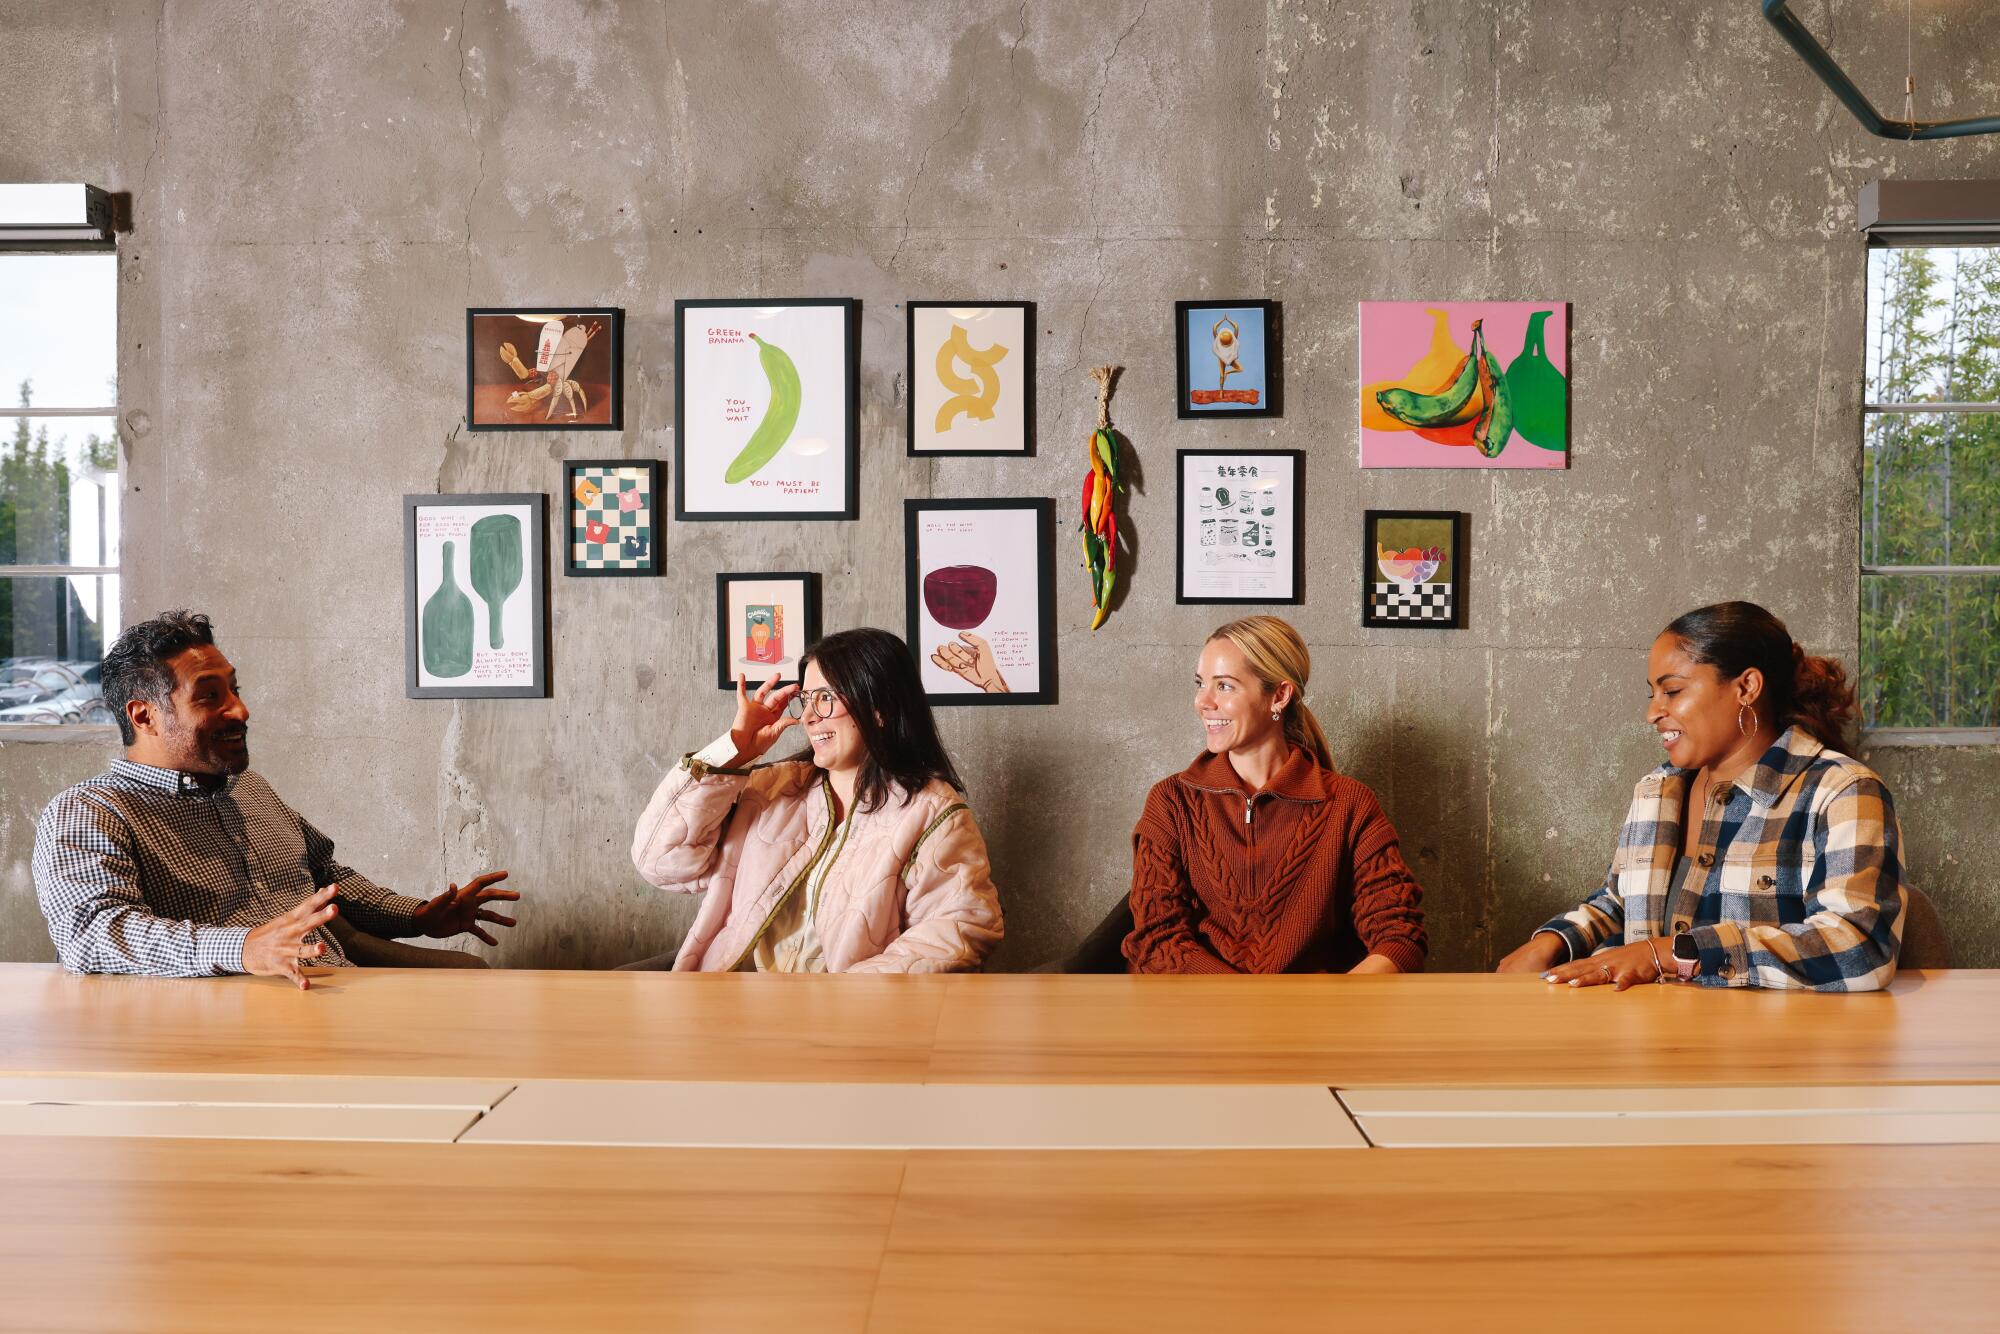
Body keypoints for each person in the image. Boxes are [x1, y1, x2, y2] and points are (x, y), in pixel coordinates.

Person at [32, 611, 521, 989]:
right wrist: (243, 947)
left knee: (472, 980)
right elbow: (94, 935)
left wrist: (416, 916)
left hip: (331, 975)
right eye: (209, 696)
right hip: (230, 1005)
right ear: (144, 717)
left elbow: (327, 880)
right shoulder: (90, 812)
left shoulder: (250, 788)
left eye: (235, 689)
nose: (240, 710)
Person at [1497, 601, 1907, 992]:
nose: (1652, 712)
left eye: (1672, 691)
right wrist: (1553, 942)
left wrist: (1669, 954)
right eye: (1652, 694)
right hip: (1648, 1043)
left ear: (1746, 687)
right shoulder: (1656, 792)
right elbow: (1621, 901)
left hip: (1774, 1055)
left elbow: (1860, 949)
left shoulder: (1842, 791)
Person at [627, 627, 1002, 972]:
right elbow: (660, 861)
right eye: (806, 699)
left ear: (880, 709)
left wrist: (839, 1002)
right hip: (733, 1011)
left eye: (825, 698)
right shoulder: (771, 789)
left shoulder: (932, 812)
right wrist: (732, 752)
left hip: (852, 1027)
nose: (807, 717)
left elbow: (958, 929)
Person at [1123, 615, 1427, 974]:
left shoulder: (1350, 804)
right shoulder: (1172, 802)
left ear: (1279, 696)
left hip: (1315, 1020)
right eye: (1200, 683)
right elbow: (1157, 938)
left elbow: (1399, 934)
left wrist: (1337, 1006)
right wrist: (1249, 1007)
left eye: (1224, 686)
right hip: (1206, 1017)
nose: (1202, 702)